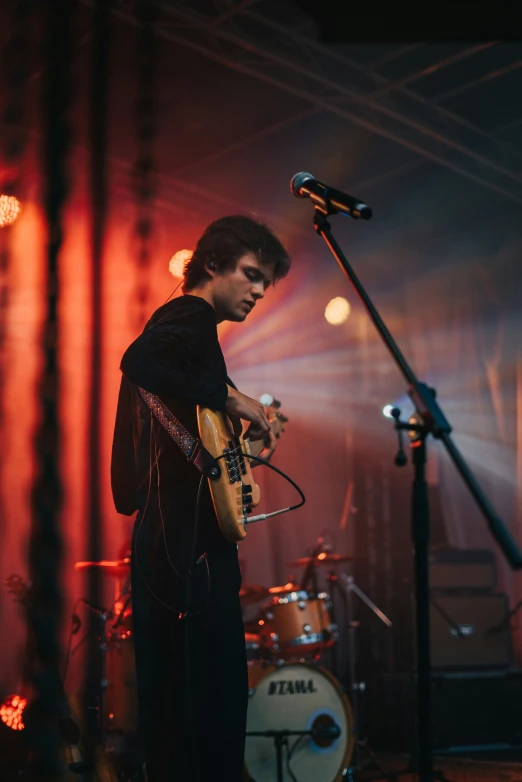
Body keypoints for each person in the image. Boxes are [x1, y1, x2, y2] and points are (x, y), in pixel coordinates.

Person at [110, 215, 291, 781]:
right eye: (251, 274)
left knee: (182, 701)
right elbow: (137, 361)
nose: (259, 292)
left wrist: (245, 437)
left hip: (175, 534)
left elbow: (189, 440)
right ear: (212, 265)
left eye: (266, 281)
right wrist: (230, 398)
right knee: (208, 698)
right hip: (184, 540)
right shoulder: (189, 315)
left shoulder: (188, 329)